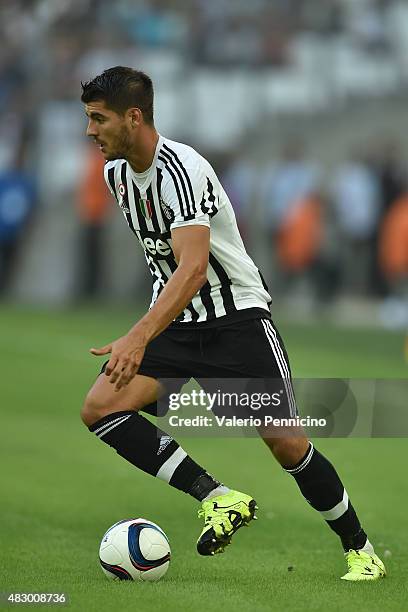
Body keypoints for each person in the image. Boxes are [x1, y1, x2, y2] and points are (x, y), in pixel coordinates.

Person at [79, 66, 385, 581]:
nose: (90, 131)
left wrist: (138, 333)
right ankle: (218, 498)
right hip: (178, 323)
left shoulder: (183, 169)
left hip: (236, 320)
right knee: (102, 409)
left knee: (288, 445)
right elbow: (168, 265)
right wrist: (151, 328)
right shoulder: (115, 176)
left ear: (133, 117)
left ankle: (360, 549)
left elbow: (194, 268)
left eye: (98, 118)